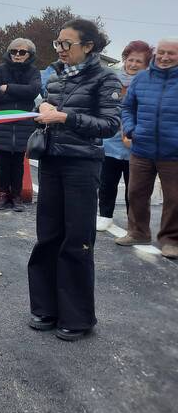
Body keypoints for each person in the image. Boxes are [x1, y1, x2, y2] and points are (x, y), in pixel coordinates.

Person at [27, 18, 121, 341]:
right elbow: (43, 108)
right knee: (48, 236)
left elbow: (110, 125)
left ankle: (78, 318)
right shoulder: (54, 76)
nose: (60, 49)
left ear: (88, 46)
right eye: (58, 43)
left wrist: (64, 117)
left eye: (67, 44)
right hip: (52, 161)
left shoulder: (105, 78)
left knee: (77, 240)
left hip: (82, 166)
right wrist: (42, 107)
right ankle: (45, 308)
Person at [115, 38, 178, 259]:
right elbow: (128, 108)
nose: (165, 57)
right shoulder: (141, 78)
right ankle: (138, 232)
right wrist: (131, 130)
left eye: (171, 53)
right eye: (161, 52)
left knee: (174, 198)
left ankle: (171, 240)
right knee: (136, 192)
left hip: (173, 153)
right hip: (142, 149)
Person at [96, 41, 152, 231]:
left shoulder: (150, 83)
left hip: (136, 142)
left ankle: (133, 222)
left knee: (135, 187)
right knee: (107, 182)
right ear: (124, 60)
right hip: (110, 141)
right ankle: (105, 215)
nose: (133, 64)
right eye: (130, 60)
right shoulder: (113, 79)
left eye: (139, 61)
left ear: (147, 64)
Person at [0, 38, 41, 212]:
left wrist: (7, 88)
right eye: (14, 51)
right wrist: (20, 93)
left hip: (24, 123)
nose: (17, 55)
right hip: (2, 121)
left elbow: (33, 91)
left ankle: (16, 196)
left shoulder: (33, 72)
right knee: (2, 161)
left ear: (29, 54)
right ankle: (2, 194)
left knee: (18, 160)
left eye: (22, 52)